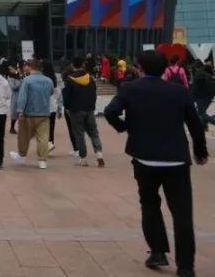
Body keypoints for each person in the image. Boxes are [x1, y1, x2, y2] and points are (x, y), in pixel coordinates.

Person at [104, 50, 208, 277]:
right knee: (182, 213)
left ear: (139, 68)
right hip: (176, 160)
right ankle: (186, 266)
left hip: (144, 158)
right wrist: (200, 151)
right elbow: (195, 124)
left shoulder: (129, 89)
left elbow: (110, 112)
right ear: (164, 69)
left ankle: (158, 252)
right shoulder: (179, 91)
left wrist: (125, 128)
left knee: (150, 204)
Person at [10, 60, 54, 169]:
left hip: (29, 113)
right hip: (44, 113)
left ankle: (22, 156)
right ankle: (42, 161)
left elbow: (23, 97)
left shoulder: (27, 80)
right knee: (43, 138)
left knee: (23, 136)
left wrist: (20, 110)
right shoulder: (49, 80)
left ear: (30, 67)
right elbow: (51, 92)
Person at [63, 56, 104, 167]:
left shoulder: (70, 79)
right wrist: (92, 106)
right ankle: (99, 154)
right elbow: (94, 93)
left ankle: (83, 158)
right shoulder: (90, 78)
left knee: (79, 134)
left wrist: (67, 108)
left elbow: (66, 97)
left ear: (72, 65)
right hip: (89, 108)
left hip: (76, 110)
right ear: (83, 64)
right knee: (94, 132)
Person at [191, 60, 214, 130]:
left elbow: (194, 88)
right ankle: (204, 126)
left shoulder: (197, 75)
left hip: (200, 97)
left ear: (196, 67)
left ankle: (211, 122)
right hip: (208, 96)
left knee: (200, 113)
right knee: (202, 112)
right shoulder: (207, 73)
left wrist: (192, 97)